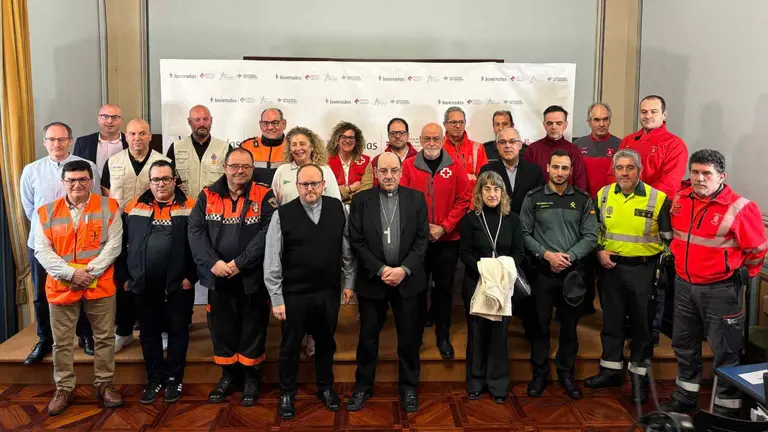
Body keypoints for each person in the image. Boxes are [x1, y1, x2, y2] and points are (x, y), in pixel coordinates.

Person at [661, 149, 767, 417]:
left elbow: (757, 249)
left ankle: (725, 409)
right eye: (695, 172)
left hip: (720, 290)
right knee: (683, 345)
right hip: (684, 286)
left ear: (721, 176)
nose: (699, 178)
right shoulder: (680, 200)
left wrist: (745, 274)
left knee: (725, 351)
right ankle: (685, 397)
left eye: (706, 173)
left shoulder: (740, 207)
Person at [264, 163, 355, 420]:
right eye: (304, 184)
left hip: (328, 291)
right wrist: (277, 297)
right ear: (297, 186)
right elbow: (272, 259)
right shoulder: (282, 214)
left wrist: (349, 283)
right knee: (290, 346)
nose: (310, 189)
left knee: (326, 343)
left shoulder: (338, 209)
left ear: (324, 184)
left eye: (315, 183)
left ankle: (326, 388)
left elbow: (347, 249)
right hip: (295, 294)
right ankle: (287, 392)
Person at [188, 147, 276, 407]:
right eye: (235, 166)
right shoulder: (207, 195)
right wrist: (213, 262)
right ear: (224, 167)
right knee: (222, 329)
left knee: (253, 327)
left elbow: (268, 233)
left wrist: (240, 263)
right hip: (219, 277)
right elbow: (195, 231)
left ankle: (251, 378)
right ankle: (228, 376)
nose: (241, 171)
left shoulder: (264, 194)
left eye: (246, 167)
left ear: (252, 169)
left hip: (252, 277)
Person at [35, 160, 123, 415]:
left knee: (105, 338)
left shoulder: (110, 207)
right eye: (71, 180)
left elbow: (114, 246)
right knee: (61, 342)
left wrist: (89, 272)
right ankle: (64, 388)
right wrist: (73, 274)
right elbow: (42, 250)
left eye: (83, 179)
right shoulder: (45, 212)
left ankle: (105, 384)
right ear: (63, 183)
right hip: (62, 286)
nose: (77, 184)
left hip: (100, 284)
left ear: (91, 181)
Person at [583, 149, 672, 404]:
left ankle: (638, 379)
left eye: (630, 168)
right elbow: (595, 230)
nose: (624, 172)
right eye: (620, 168)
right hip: (611, 269)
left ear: (639, 170)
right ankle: (610, 371)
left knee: (643, 327)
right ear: (614, 170)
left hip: (644, 270)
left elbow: (669, 242)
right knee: (611, 322)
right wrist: (599, 251)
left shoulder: (658, 199)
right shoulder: (603, 194)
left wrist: (658, 269)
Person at [346, 152, 429, 413]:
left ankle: (409, 388)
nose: (389, 176)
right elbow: (356, 241)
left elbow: (422, 239)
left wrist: (403, 269)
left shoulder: (416, 198)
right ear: (376, 172)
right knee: (368, 338)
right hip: (373, 280)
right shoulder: (361, 200)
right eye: (384, 171)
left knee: (409, 338)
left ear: (401, 171)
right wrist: (381, 269)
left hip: (408, 280)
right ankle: (363, 387)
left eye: (394, 170)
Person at [520, 149, 598, 400]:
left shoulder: (583, 199)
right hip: (542, 272)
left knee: (569, 327)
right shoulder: (533, 198)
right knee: (540, 325)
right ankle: (539, 373)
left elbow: (590, 236)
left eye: (565, 168)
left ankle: (566, 373)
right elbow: (523, 234)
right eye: (556, 167)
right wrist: (547, 255)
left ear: (571, 170)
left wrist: (570, 257)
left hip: (572, 274)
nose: (560, 172)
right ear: (548, 168)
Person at [118, 160, 198, 404]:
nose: (161, 184)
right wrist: (125, 279)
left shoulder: (192, 206)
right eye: (156, 180)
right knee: (149, 335)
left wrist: (191, 277)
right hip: (142, 285)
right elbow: (121, 246)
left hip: (178, 285)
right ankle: (154, 380)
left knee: (178, 333)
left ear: (175, 180)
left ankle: (174, 379)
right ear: (149, 182)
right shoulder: (133, 207)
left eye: (166, 179)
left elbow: (200, 244)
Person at [20, 122, 101, 363]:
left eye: (62, 139)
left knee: (84, 288)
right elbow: (30, 208)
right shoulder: (31, 170)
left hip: (80, 241)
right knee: (41, 293)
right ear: (45, 142)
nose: (57, 144)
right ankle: (45, 338)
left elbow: (93, 201)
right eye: (52, 139)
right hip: (43, 243)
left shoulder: (88, 167)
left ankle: (85, 335)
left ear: (70, 141)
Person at [400, 123, 471, 359]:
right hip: (418, 242)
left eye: (436, 138)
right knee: (417, 291)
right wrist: (424, 229)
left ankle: (443, 336)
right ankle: (416, 336)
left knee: (443, 291)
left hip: (448, 240)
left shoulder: (455, 165)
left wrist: (444, 227)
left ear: (443, 139)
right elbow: (404, 200)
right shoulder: (409, 166)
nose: (432, 143)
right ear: (420, 140)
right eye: (427, 138)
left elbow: (464, 199)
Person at [102, 118, 170, 353]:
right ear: (125, 136)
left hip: (157, 228)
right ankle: (124, 330)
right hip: (122, 229)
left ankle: (162, 328)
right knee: (124, 281)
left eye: (142, 133)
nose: (137, 138)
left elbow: (171, 192)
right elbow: (107, 193)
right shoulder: (113, 162)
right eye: (132, 134)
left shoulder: (164, 162)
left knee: (157, 281)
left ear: (150, 135)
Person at [459, 171, 525, 403]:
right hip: (477, 283)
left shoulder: (513, 219)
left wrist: (500, 271)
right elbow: (464, 252)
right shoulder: (470, 219)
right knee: (477, 334)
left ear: (503, 193)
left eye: (496, 189)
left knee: (499, 334)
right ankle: (475, 382)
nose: (492, 193)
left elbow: (519, 252)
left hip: (504, 284)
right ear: (479, 193)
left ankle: (498, 384)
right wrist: (485, 271)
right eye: (487, 189)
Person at [618, 95, 688, 198]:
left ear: (664, 115)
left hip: (655, 205)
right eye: (644, 112)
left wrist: (639, 197)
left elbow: (669, 183)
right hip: (623, 200)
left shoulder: (675, 144)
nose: (648, 116)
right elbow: (613, 173)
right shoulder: (628, 140)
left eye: (654, 112)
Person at [166, 104, 230, 199]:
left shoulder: (225, 148)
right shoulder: (176, 147)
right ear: (189, 121)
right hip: (184, 206)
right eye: (197, 120)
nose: (202, 124)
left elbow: (232, 181)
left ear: (211, 120)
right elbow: (167, 178)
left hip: (214, 207)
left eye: (205, 119)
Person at [478, 127, 544, 214]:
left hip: (526, 223)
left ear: (520, 145)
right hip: (497, 222)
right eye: (502, 142)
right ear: (497, 146)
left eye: (512, 141)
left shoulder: (534, 171)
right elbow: (481, 200)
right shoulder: (487, 170)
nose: (507, 146)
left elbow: (539, 202)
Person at [271, 126, 342, 206]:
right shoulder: (282, 171)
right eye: (294, 145)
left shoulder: (325, 170)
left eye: (302, 144)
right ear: (289, 149)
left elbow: (336, 202)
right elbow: (274, 202)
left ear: (311, 147)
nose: (298, 148)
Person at [524, 105, 587, 191]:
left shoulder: (574, 150)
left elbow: (580, 185)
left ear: (565, 125)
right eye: (549, 123)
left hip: (568, 201)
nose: (554, 127)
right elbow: (527, 182)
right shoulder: (532, 150)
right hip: (539, 202)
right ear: (544, 125)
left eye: (558, 123)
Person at [573, 103, 621, 198]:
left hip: (611, 199)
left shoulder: (620, 145)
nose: (601, 124)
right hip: (583, 200)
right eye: (597, 120)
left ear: (610, 121)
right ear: (589, 122)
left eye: (605, 119)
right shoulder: (577, 145)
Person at [361, 117, 418, 190]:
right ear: (388, 136)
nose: (397, 136)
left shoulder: (419, 160)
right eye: (393, 133)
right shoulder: (377, 160)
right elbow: (371, 191)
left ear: (407, 135)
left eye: (401, 133)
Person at [72, 104, 128, 176]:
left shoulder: (130, 142)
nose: (110, 121)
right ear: (98, 119)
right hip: (92, 186)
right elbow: (74, 171)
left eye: (115, 117)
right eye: (105, 116)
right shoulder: (83, 143)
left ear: (121, 120)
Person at [442, 107, 488, 193]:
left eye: (461, 122)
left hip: (472, 203)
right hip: (447, 202)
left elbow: (485, 180)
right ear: (445, 125)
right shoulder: (439, 149)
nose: (458, 126)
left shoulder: (477, 148)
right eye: (453, 122)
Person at [326, 121, 371, 207]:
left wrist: (343, 195)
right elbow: (327, 191)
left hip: (359, 208)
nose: (347, 141)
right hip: (332, 207)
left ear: (356, 141)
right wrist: (352, 188)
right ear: (337, 140)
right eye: (343, 137)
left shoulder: (366, 162)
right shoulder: (326, 162)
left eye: (351, 138)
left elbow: (366, 192)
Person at [240, 108, 288, 186]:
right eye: (266, 123)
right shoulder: (246, 146)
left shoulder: (293, 147)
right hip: (253, 196)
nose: (270, 127)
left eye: (275, 122)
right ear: (260, 125)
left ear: (284, 124)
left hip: (285, 197)